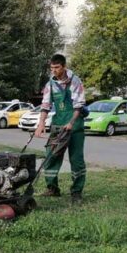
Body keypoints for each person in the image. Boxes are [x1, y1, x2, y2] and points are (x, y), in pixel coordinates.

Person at [34, 54, 87, 204]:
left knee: (76, 160)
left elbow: (79, 105)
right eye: (51, 68)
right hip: (58, 124)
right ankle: (52, 189)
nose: (54, 71)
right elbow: (45, 105)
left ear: (64, 66)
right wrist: (41, 123)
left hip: (75, 126)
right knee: (51, 156)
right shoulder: (50, 84)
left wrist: (71, 122)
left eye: (57, 68)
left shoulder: (75, 81)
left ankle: (76, 192)